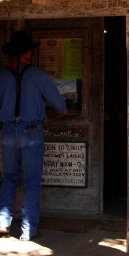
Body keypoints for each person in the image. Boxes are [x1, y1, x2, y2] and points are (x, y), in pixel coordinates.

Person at [0, 31, 66, 241]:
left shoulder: (1, 76)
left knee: (9, 178)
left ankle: (3, 221)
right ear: (29, 52)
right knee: (31, 181)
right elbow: (60, 105)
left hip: (8, 131)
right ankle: (27, 230)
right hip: (31, 131)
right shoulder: (37, 74)